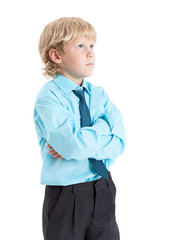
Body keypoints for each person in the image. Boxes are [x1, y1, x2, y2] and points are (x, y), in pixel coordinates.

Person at [33, 17, 126, 240]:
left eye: (92, 45)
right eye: (81, 46)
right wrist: (103, 129)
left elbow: (120, 142)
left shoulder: (99, 94)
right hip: (67, 196)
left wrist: (80, 140)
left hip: (103, 188)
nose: (90, 53)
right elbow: (73, 147)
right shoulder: (49, 98)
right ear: (56, 55)